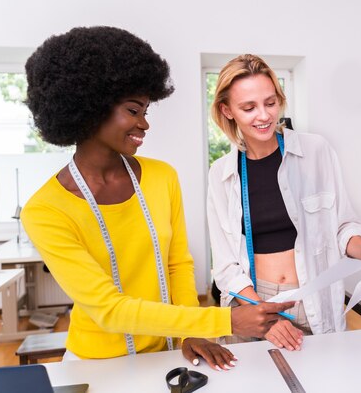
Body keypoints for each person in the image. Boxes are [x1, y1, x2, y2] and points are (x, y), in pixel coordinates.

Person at [21, 27, 293, 368]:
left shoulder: (161, 177)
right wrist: (224, 322)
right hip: (97, 363)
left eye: (146, 112)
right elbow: (108, 309)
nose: (144, 125)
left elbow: (177, 263)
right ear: (89, 108)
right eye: (134, 111)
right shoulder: (45, 210)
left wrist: (189, 334)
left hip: (169, 353)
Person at [207, 54, 361, 351]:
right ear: (227, 110)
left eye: (270, 103)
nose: (264, 115)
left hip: (312, 296)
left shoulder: (315, 151)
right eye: (248, 107)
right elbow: (225, 264)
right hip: (250, 302)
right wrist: (265, 317)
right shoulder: (222, 174)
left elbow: (342, 225)